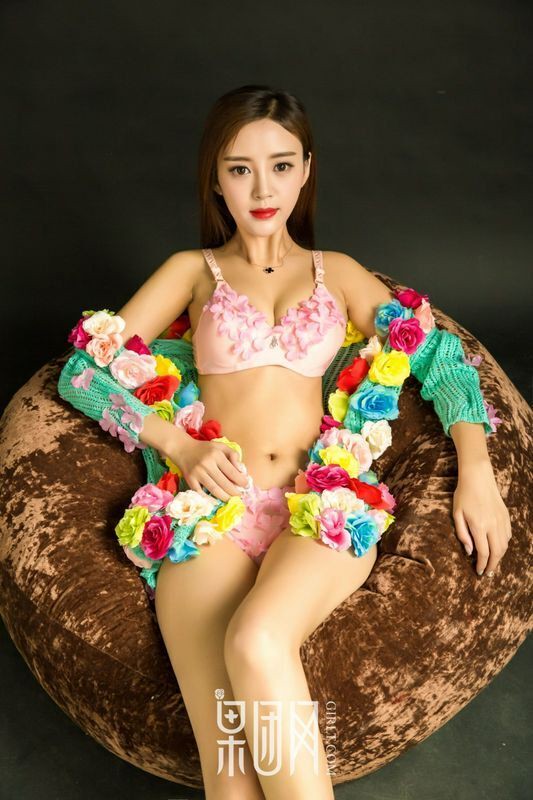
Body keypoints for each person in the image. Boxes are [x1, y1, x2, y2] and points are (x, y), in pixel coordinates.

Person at [58, 84, 511, 800]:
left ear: (305, 171)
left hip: (319, 506)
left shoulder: (338, 272)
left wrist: (476, 472)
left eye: (280, 166)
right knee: (231, 771)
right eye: (239, 169)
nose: (262, 189)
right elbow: (82, 373)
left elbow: (442, 360)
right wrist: (177, 444)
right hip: (208, 511)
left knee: (257, 639)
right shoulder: (190, 272)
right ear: (216, 179)